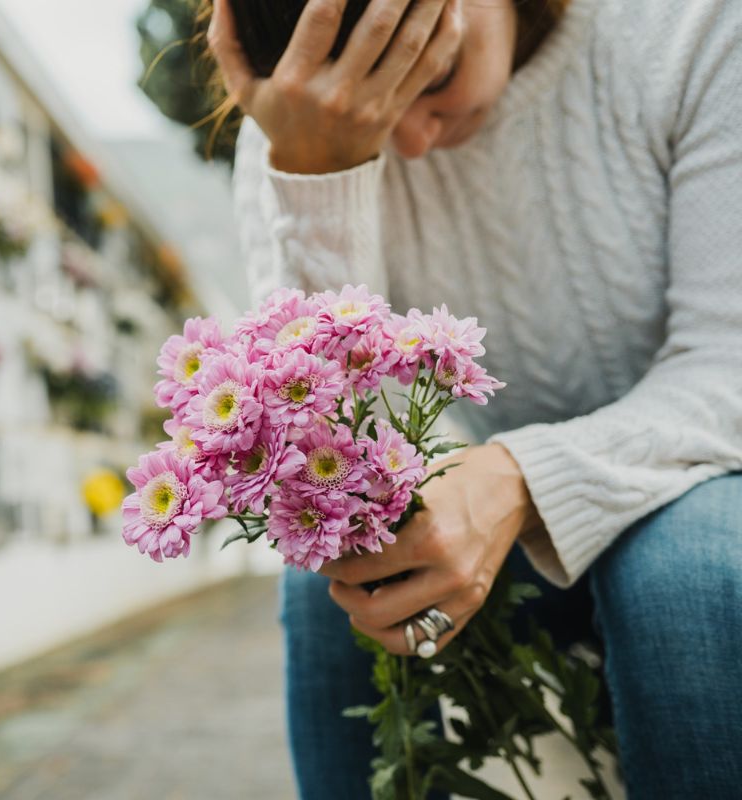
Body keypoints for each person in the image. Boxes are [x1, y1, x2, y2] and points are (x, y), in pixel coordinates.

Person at [205, 0, 742, 797]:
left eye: (435, 69)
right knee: (340, 586)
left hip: (711, 484)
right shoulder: (300, 125)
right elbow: (332, 473)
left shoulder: (687, 28)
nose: (414, 140)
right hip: (527, 546)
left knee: (678, 566)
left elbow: (727, 367)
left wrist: (520, 482)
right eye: (372, 112)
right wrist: (323, 174)